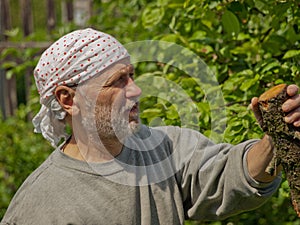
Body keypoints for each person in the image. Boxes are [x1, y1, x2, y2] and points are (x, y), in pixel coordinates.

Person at [1, 28, 300, 225]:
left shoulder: (162, 148)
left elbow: (228, 176)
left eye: (131, 76)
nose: (135, 91)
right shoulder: (40, 209)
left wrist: (276, 137)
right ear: (68, 100)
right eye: (117, 82)